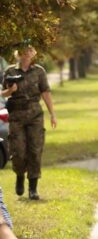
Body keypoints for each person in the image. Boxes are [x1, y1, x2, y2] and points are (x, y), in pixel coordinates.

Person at [2, 45, 57, 200]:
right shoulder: (10, 71)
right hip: (16, 115)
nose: (26, 55)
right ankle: (20, 176)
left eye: (29, 52)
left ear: (33, 54)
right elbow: (3, 93)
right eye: (23, 53)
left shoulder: (39, 71)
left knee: (35, 150)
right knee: (18, 151)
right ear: (18, 54)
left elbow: (45, 92)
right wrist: (10, 91)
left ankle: (33, 188)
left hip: (35, 116)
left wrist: (52, 114)